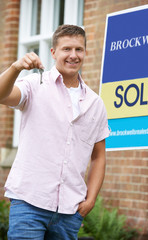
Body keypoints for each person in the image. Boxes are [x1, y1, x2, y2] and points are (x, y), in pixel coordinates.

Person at [0, 25, 110, 240]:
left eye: (79, 49)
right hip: (29, 202)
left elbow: (99, 157)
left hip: (70, 211)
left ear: (85, 52)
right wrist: (15, 67)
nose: (73, 55)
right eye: (66, 49)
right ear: (53, 53)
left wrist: (91, 199)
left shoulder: (95, 103)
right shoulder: (34, 84)